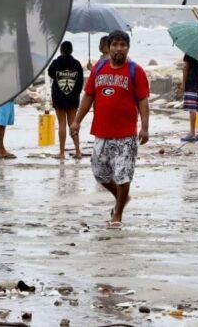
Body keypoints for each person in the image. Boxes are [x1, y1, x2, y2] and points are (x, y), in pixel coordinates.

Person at [70, 30, 150, 230]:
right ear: (109, 47)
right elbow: (89, 96)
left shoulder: (135, 71)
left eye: (123, 45)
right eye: (115, 45)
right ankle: (122, 198)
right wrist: (77, 121)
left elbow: (143, 100)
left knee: (123, 174)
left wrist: (145, 128)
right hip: (102, 132)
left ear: (127, 48)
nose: (119, 49)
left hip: (126, 134)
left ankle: (118, 213)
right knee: (100, 173)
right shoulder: (99, 68)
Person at [48, 41, 84, 159]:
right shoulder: (76, 64)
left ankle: (62, 152)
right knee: (73, 124)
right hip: (73, 97)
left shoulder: (56, 63)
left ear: (61, 50)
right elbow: (80, 82)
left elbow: (50, 73)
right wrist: (76, 93)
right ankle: (78, 151)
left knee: (62, 124)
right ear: (71, 50)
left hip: (59, 97)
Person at [181, 52, 198, 142]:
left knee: (192, 109)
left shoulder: (190, 52)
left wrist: (183, 83)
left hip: (191, 83)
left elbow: (186, 69)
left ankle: (192, 133)